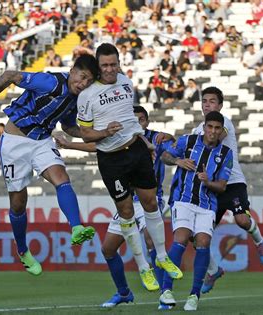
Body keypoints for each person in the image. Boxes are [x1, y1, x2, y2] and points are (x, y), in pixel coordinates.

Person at [76, 43, 182, 306]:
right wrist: (105, 133)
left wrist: (144, 142)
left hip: (135, 150)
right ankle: (144, 267)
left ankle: (161, 255)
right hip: (111, 160)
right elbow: (86, 133)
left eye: (114, 64)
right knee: (126, 213)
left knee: (149, 203)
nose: (111, 70)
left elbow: (130, 119)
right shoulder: (87, 95)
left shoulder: (126, 82)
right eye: (105, 66)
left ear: (119, 63)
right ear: (97, 67)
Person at [0, 54, 98, 276]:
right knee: (18, 203)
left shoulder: (75, 98)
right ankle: (22, 250)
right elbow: (10, 75)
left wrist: (95, 135)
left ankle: (77, 227)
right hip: (14, 142)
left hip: (41, 140)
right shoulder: (50, 83)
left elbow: (69, 127)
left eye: (89, 81)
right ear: (72, 71)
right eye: (82, 77)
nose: (84, 84)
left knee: (62, 178)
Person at [55, 105, 174, 306]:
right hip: (127, 202)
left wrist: (173, 146)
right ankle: (124, 292)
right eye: (134, 119)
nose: (137, 123)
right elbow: (97, 147)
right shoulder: (119, 136)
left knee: (150, 240)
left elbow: (170, 153)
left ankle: (166, 293)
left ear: (147, 122)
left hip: (149, 201)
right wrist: (68, 145)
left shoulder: (155, 138)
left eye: (141, 120)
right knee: (108, 249)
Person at [192, 87, 263, 295]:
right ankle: (214, 270)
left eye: (212, 101)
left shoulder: (224, 123)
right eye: (204, 101)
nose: (207, 104)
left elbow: (214, 139)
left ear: (220, 105)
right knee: (197, 237)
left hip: (232, 183)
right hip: (211, 187)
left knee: (242, 220)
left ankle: (259, 241)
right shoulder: (197, 131)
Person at [159, 111, 233, 311]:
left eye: (217, 128)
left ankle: (194, 295)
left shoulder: (226, 154)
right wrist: (178, 161)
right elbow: (165, 155)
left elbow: (222, 186)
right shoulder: (187, 141)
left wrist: (208, 181)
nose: (213, 131)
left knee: (203, 243)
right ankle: (166, 291)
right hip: (182, 200)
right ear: (204, 127)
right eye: (210, 127)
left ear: (221, 131)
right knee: (181, 239)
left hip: (207, 205)